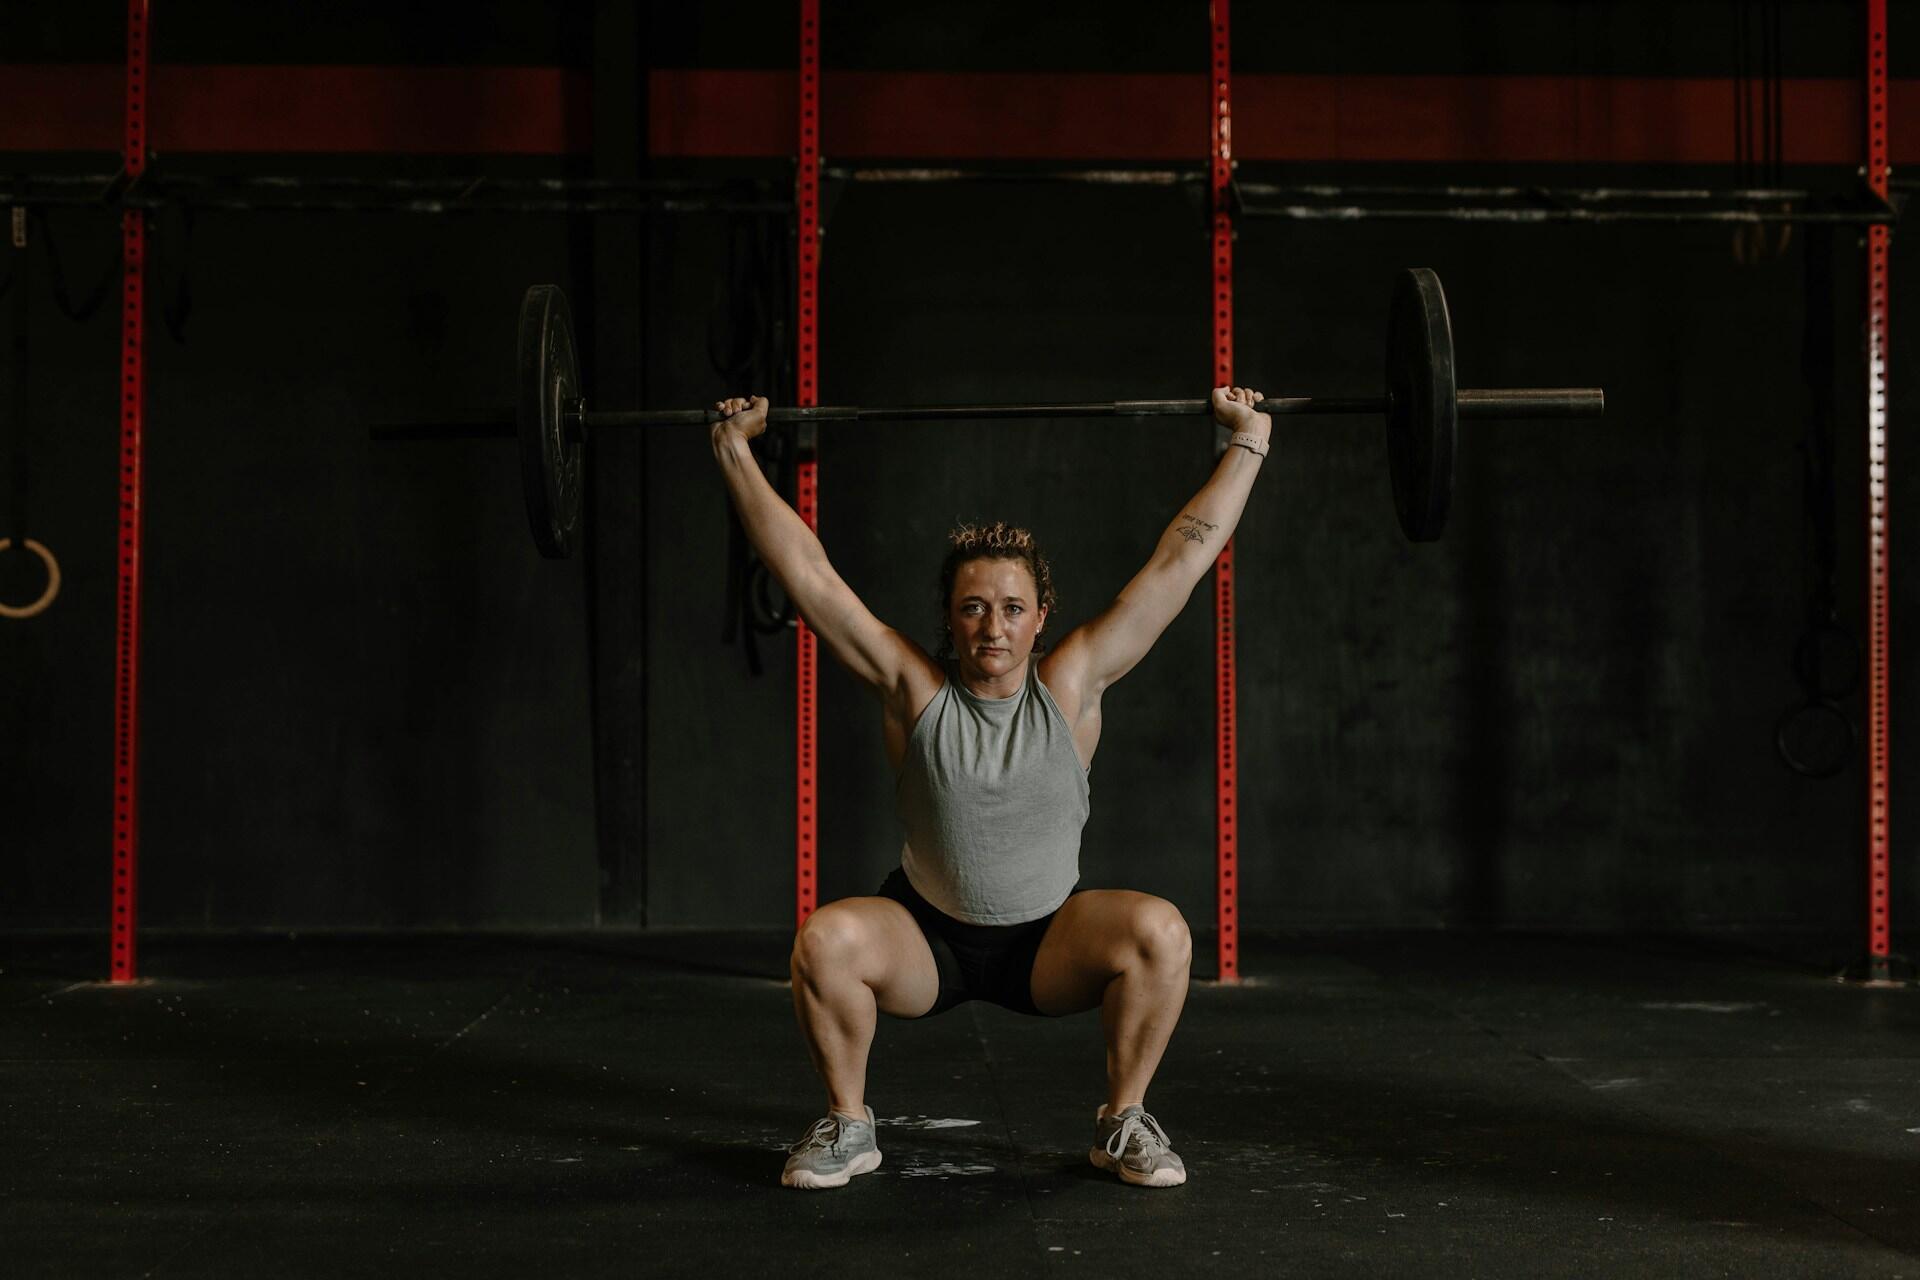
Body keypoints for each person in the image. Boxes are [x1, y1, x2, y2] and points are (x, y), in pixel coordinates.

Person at [709, 387, 1273, 1190]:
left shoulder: (1072, 684)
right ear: (949, 617)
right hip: (927, 941)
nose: (993, 627)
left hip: (1048, 945)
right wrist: (735, 451)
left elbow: (1179, 561)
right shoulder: (913, 689)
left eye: (1012, 608)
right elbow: (810, 577)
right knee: (824, 942)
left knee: (1163, 933)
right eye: (973, 609)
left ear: (1042, 616)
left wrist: (1248, 441)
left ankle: (1123, 1122)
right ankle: (848, 1123)